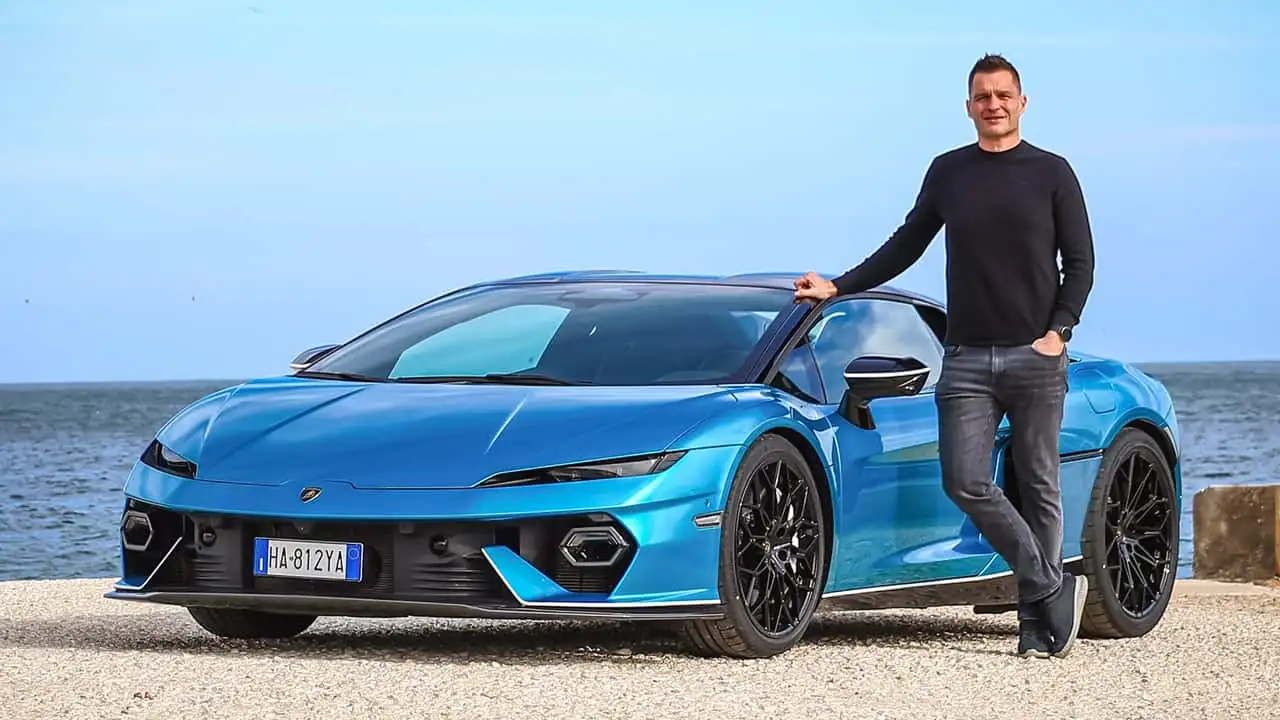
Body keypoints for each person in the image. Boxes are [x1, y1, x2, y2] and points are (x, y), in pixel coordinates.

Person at [793, 53, 1095, 659]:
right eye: (983, 97)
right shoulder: (949, 172)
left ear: (1022, 102)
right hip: (965, 359)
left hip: (1035, 357)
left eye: (1003, 95)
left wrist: (1059, 331)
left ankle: (1036, 626)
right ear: (968, 107)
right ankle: (1050, 583)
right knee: (964, 480)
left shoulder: (1053, 172)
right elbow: (906, 244)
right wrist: (839, 285)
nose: (994, 105)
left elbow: (1081, 262)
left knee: (1038, 484)